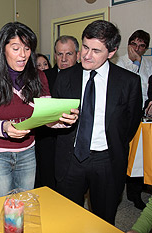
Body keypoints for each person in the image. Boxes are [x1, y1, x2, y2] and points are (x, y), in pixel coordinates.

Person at [0, 22, 78, 199]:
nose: (23, 55)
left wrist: (63, 120)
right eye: (15, 48)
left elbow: (45, 117)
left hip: (27, 153)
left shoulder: (38, 76)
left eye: (27, 49)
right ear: (3, 49)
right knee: (0, 210)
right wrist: (4, 128)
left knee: (25, 207)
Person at [52, 20, 142, 224]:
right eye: (85, 47)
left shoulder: (128, 82)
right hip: (71, 159)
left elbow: (130, 125)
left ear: (111, 52)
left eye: (95, 50)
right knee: (67, 219)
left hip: (107, 161)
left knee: (103, 219)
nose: (86, 55)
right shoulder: (64, 78)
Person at [35, 35, 80, 189]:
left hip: (74, 139)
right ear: (55, 56)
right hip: (47, 138)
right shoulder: (44, 77)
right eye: (60, 54)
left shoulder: (86, 76)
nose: (64, 58)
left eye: (69, 54)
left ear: (78, 55)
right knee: (47, 181)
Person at [116, 30, 152, 210]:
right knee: (126, 154)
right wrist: (135, 64)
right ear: (128, 44)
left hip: (144, 118)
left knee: (140, 158)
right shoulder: (120, 62)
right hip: (126, 116)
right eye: (134, 44)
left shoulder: (149, 64)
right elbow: (130, 86)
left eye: (141, 46)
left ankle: (135, 193)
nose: (137, 49)